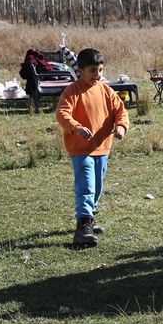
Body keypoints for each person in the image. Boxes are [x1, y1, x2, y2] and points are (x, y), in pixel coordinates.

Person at [56, 48, 129, 248]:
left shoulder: (106, 90)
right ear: (80, 71)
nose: (97, 75)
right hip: (81, 150)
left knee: (97, 187)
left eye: (100, 70)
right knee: (86, 186)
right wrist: (76, 128)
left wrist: (121, 126)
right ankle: (83, 225)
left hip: (103, 148)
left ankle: (90, 217)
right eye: (92, 71)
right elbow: (62, 113)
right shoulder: (72, 91)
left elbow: (120, 111)